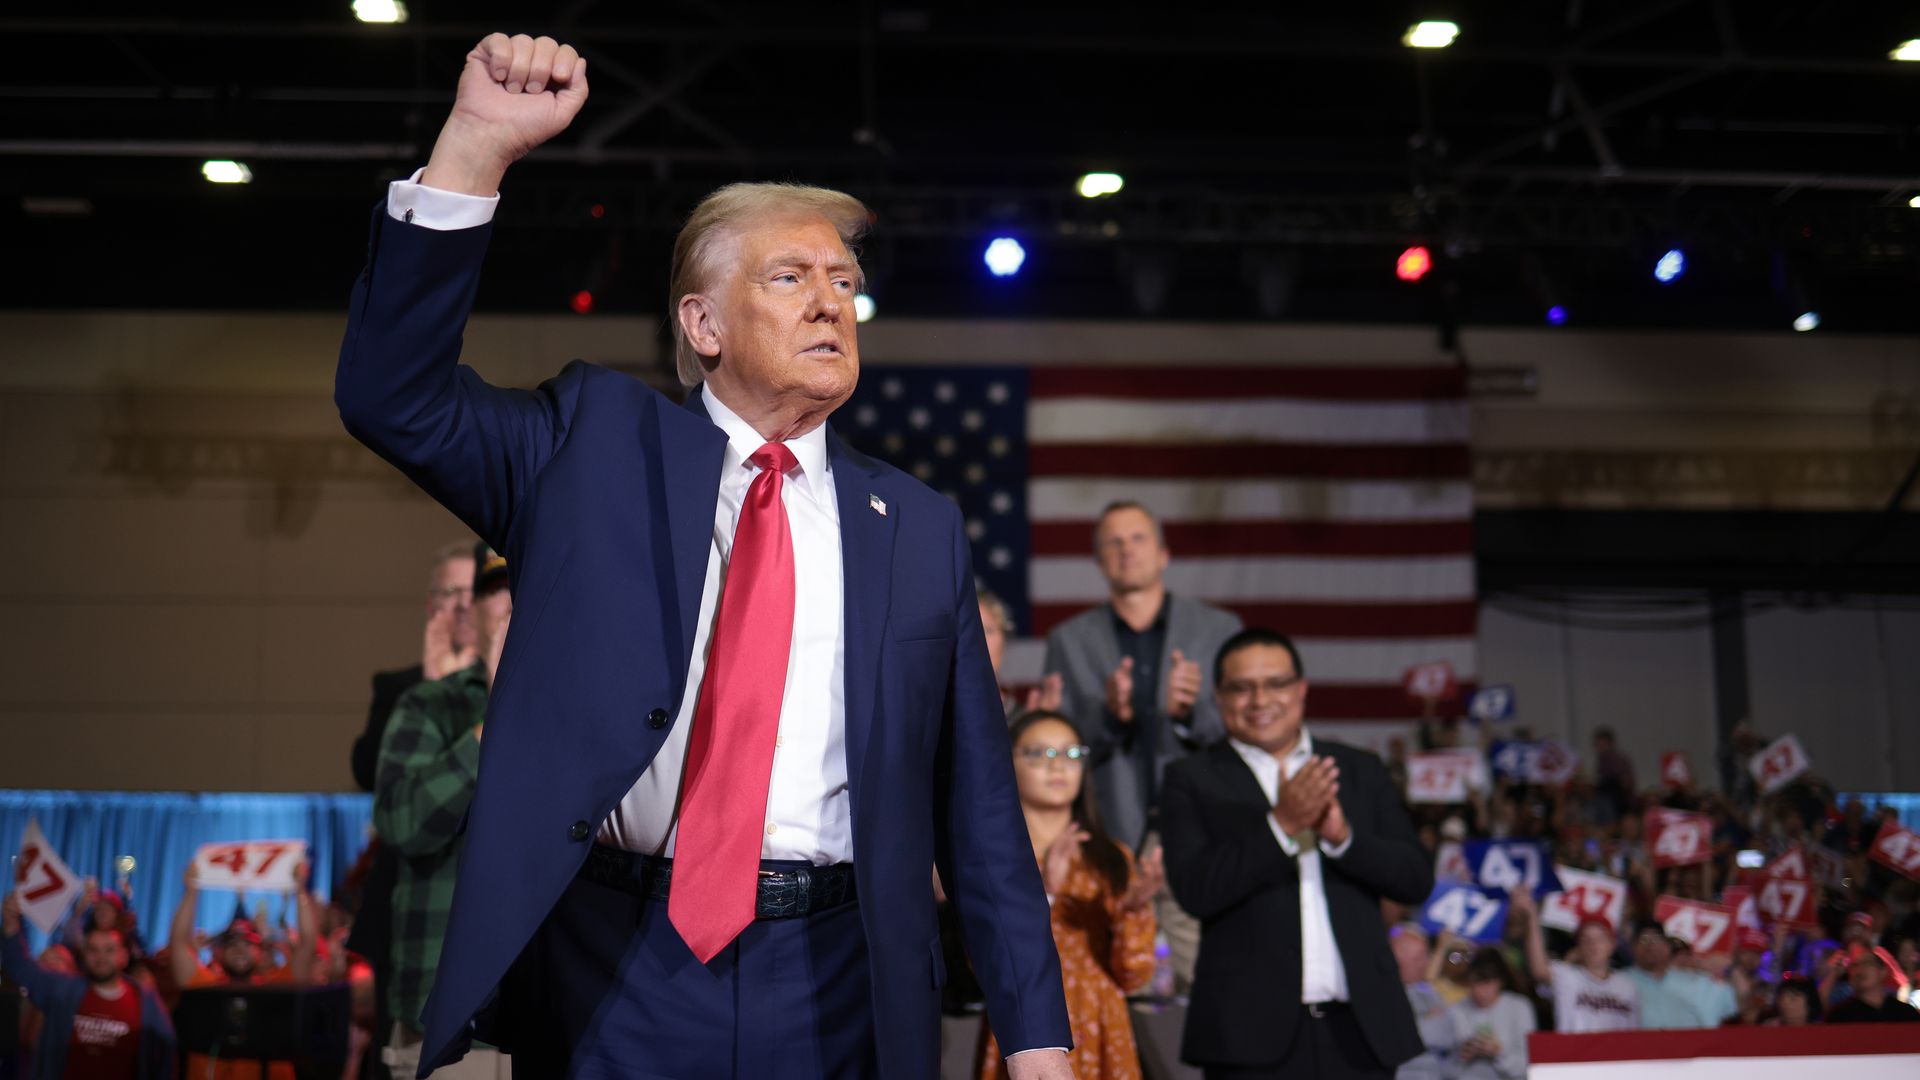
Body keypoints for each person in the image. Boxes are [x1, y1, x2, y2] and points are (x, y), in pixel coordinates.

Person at [333, 31, 1071, 1079]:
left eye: (844, 280)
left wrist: (1038, 1034)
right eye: (790, 275)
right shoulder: (588, 446)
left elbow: (980, 811)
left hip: (840, 975)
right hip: (613, 963)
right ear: (702, 321)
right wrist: (473, 155)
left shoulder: (916, 526)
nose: (831, 300)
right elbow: (389, 395)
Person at [1159, 628, 1432, 1080]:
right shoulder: (1191, 778)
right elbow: (1195, 891)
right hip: (1246, 1037)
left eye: (1276, 683)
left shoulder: (1358, 769)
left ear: (1301, 689)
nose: (1260, 699)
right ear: (1219, 697)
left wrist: (1343, 837)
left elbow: (1415, 878)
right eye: (1241, 687)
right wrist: (1282, 825)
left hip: (1361, 1032)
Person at [1041, 501, 1240, 995]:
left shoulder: (1218, 631)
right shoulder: (1069, 640)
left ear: (1163, 553)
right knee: (1113, 986)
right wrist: (1108, 716)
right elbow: (1059, 747)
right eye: (1113, 542)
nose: (1126, 551)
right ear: (1099, 560)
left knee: (1212, 990)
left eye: (1137, 539)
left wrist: (1190, 714)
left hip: (1198, 834)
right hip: (1111, 839)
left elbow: (1244, 737)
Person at [376, 544, 512, 1079]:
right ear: (472, 614)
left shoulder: (584, 710)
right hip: (451, 1017)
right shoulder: (431, 705)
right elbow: (401, 822)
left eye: (520, 590)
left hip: (555, 1009)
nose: (508, 606)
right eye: (493, 593)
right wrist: (496, 720)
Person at [350, 540, 475, 1076]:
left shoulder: (518, 682)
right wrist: (435, 685)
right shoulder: (403, 688)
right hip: (410, 910)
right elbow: (368, 774)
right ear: (431, 605)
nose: (462, 607)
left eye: (474, 594)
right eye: (450, 594)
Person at [980, 711, 1161, 1080]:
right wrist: (1044, 892)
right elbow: (979, 965)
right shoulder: (992, 858)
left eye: (1071, 754)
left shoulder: (1111, 858)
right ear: (1007, 761)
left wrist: (1134, 911)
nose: (1058, 766)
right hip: (1023, 1035)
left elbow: (1134, 975)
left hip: (1102, 1028)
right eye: (1040, 754)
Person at [166, 863, 318, 1080]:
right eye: (231, 943)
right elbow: (179, 943)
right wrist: (192, 890)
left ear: (262, 952)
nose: (239, 949)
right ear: (219, 953)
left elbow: (307, 944)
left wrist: (300, 890)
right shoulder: (204, 988)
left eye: (248, 943)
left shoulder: (277, 988)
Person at [2, 892, 175, 1079]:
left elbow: (166, 1052)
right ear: (85, 955)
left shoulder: (144, 1001)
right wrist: (11, 921)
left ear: (124, 956)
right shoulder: (65, 989)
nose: (101, 957)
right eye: (93, 949)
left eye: (109, 950)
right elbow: (20, 967)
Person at [1509, 892, 1638, 1033]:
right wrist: (1532, 917)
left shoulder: (1628, 986)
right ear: (1579, 947)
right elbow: (1539, 970)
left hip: (1619, 1054)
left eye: (1600, 939)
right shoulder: (1567, 976)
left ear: (1612, 945)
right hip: (1574, 1053)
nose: (1593, 945)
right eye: (1586, 939)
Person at [1622, 921, 1735, 1029]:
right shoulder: (1620, 981)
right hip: (1639, 1047)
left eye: (1656, 939)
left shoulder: (1695, 982)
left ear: (1666, 948)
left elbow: (1741, 1002)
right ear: (1632, 947)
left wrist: (1730, 968)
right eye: (1643, 940)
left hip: (1690, 1046)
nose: (1649, 945)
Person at [1445, 949, 1532, 1080]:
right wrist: (1461, 1056)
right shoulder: (1456, 1009)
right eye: (1476, 983)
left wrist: (1498, 1053)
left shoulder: (1519, 1007)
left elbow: (1527, 1067)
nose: (1482, 992)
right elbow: (1445, 1070)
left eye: (1488, 983)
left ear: (1500, 981)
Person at [1389, 925, 1452, 1080]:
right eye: (1419, 957)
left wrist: (1416, 1025)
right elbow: (1394, 1040)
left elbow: (1447, 1037)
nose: (1425, 963)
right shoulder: (1381, 994)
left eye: (1426, 956)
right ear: (1398, 958)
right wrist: (1428, 1022)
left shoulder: (1430, 992)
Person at [1825, 946, 1918, 1023]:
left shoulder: (1905, 1013)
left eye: (1867, 963)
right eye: (1854, 966)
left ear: (1883, 972)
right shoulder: (1840, 1016)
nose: (1859, 970)